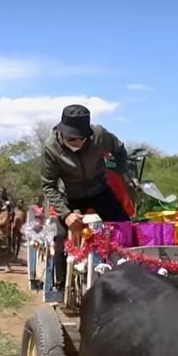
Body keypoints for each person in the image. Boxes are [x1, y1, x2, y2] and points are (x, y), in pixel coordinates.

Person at [41, 104, 137, 300]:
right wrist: (66, 214)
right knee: (60, 238)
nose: (78, 142)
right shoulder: (51, 147)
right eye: (72, 139)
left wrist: (123, 171)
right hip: (69, 194)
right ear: (62, 132)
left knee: (125, 227)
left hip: (99, 190)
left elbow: (119, 149)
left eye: (82, 139)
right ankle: (59, 288)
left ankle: (130, 279)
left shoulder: (99, 135)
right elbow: (48, 185)